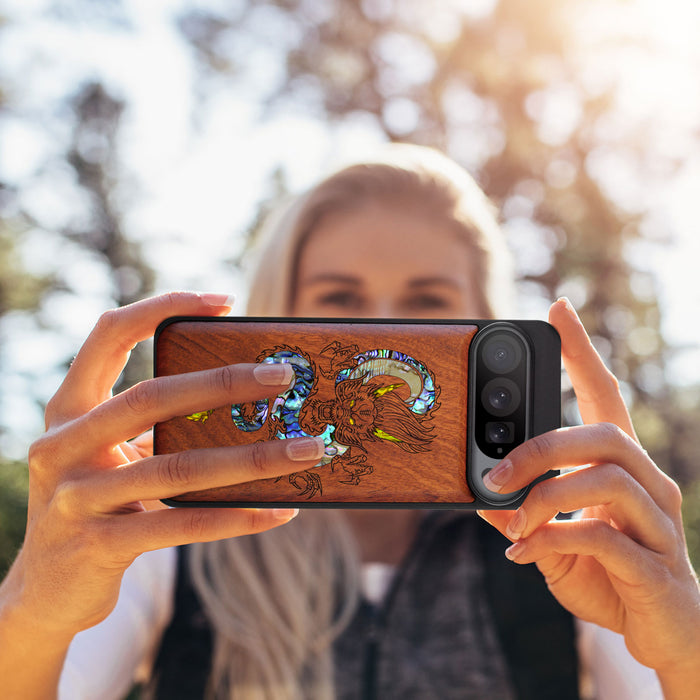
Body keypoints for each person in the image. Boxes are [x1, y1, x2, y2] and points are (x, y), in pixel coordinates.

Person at [0, 145, 698, 700]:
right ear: (279, 309)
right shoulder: (170, 536)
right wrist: (34, 607)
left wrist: (685, 648)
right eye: (340, 298)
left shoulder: (567, 544)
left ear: (487, 322)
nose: (384, 327)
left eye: (427, 301)